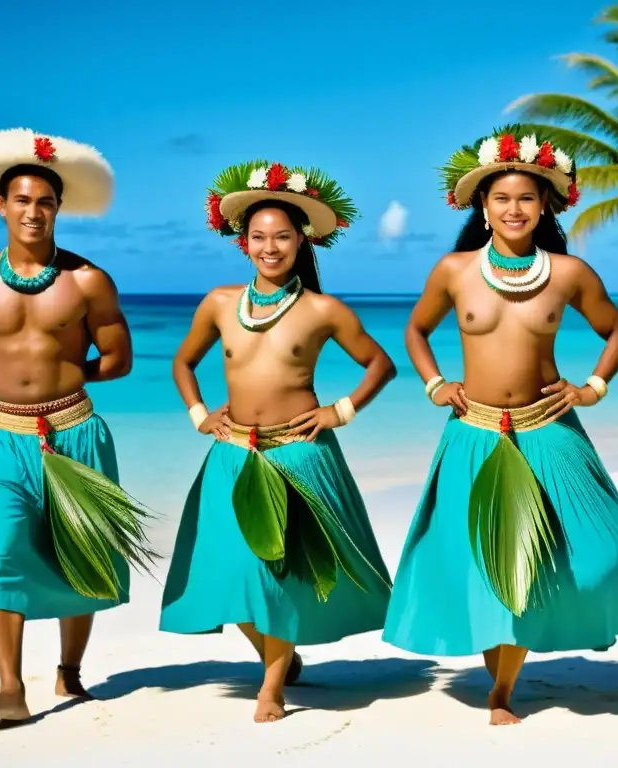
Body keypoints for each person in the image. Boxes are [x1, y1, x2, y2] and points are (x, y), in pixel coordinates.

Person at [382, 127, 618, 725]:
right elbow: (416, 331)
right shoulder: (454, 269)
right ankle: (501, 691)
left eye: (526, 198)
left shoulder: (569, 273)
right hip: (473, 431)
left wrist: (592, 387)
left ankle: (516, 671)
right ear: (482, 207)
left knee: (601, 545)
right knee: (481, 558)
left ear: (545, 204)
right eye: (501, 199)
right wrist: (435, 384)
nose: (514, 209)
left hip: (548, 430)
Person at [159, 158, 395, 723]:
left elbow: (379, 365)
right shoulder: (219, 302)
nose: (271, 247)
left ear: (302, 241)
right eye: (259, 237)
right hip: (232, 453)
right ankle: (277, 657)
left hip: (299, 455)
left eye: (282, 236)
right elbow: (184, 362)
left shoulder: (322, 309)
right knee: (229, 569)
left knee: (281, 574)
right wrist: (198, 415)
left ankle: (271, 687)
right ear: (244, 243)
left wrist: (340, 412)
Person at [0, 128, 158, 722]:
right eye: (21, 200)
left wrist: (68, 373)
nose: (33, 211)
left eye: (45, 201)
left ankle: (70, 671)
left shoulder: (89, 281)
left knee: (81, 551)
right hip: (0, 437)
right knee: (7, 547)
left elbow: (119, 360)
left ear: (59, 208)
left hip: (76, 431)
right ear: (1, 205)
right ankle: (10, 690)